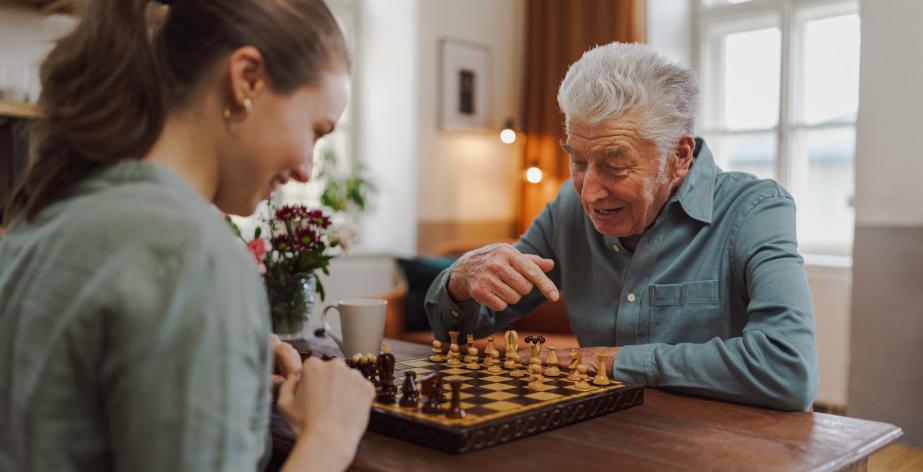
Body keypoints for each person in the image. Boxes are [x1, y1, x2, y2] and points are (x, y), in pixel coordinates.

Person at [0, 1, 373, 471]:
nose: (306, 169)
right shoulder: (195, 257)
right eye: (315, 130)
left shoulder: (46, 213)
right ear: (247, 79)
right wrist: (330, 437)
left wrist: (217, 354)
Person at [425, 43, 818, 411]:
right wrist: (460, 281)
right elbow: (460, 330)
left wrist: (616, 361)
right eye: (578, 161)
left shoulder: (755, 209)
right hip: (602, 437)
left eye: (615, 165)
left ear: (679, 156)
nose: (589, 192)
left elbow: (788, 367)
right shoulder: (567, 209)